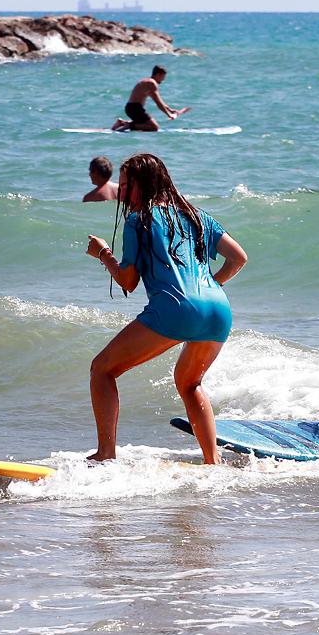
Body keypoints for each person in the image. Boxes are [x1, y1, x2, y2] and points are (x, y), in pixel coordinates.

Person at [85, 153, 248, 463]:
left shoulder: (139, 220)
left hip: (175, 308)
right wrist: (212, 286)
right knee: (189, 383)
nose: (122, 193)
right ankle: (212, 461)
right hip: (218, 310)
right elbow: (239, 258)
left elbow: (128, 281)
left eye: (125, 185)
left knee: (101, 369)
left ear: (142, 185)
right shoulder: (198, 215)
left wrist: (103, 253)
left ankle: (105, 454)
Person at [110, 66, 183, 132]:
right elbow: (158, 102)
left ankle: (122, 123)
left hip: (132, 108)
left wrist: (169, 110)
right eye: (162, 77)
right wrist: (168, 114)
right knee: (154, 127)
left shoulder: (147, 81)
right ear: (158, 75)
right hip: (135, 108)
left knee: (149, 125)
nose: (162, 80)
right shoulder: (152, 84)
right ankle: (128, 125)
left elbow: (159, 100)